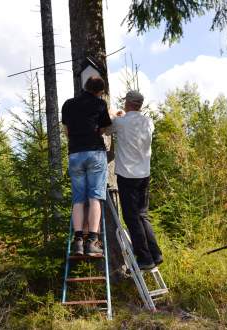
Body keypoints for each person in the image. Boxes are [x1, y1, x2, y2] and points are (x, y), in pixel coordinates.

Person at [109, 90, 163, 270]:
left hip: (128, 175)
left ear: (128, 103)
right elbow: (132, 124)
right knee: (142, 215)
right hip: (144, 174)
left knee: (132, 217)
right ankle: (155, 253)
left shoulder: (121, 123)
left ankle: (145, 258)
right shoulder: (148, 122)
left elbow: (108, 129)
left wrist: (114, 114)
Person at [61, 76, 112, 257]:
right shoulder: (100, 104)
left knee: (78, 198)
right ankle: (92, 241)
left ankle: (78, 242)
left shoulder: (68, 104)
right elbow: (105, 128)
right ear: (99, 91)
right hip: (95, 153)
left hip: (75, 153)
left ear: (85, 86)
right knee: (95, 197)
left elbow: (66, 130)